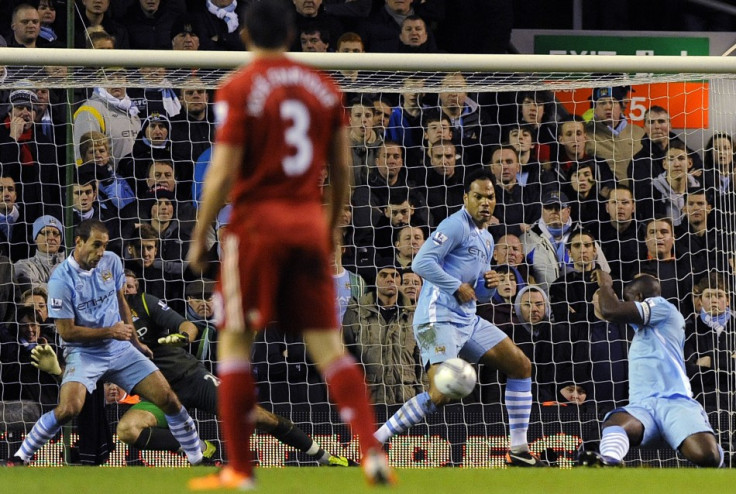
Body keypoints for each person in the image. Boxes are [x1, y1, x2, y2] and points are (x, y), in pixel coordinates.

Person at [186, 1, 393, 488]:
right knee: (330, 347)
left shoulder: (238, 87)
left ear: (244, 36)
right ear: (294, 33)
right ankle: (371, 451)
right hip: (306, 225)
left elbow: (224, 168)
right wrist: (332, 226)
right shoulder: (323, 88)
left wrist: (200, 232)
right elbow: (342, 168)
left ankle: (239, 469)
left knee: (234, 344)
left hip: (255, 227)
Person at [373, 169, 545, 467]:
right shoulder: (455, 225)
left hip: (466, 320)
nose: (485, 203)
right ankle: (373, 441)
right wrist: (457, 286)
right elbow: (421, 262)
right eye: (478, 196)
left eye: (489, 197)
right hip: (434, 319)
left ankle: (518, 450)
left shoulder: (488, 239)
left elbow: (476, 293)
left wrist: (486, 286)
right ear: (466, 198)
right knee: (439, 394)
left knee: (520, 366)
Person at [2, 219, 205, 467]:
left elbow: (120, 300)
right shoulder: (60, 281)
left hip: (121, 349)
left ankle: (198, 458)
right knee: (69, 408)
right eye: (96, 245)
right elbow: (66, 332)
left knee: (169, 399)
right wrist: (111, 331)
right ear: (79, 242)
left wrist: (134, 340)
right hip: (84, 354)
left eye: (104, 245)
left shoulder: (112, 261)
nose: (100, 252)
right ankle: (19, 457)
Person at [579, 270, 722, 468]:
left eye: (629, 300)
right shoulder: (644, 332)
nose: (628, 306)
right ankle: (610, 462)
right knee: (616, 423)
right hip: (642, 407)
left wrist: (605, 285)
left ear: (639, 298)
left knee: (708, 457)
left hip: (674, 402)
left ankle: (724, 458)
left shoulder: (661, 306)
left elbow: (610, 310)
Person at [342, 262, 423, 405]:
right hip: (369, 400)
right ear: (375, 280)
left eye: (395, 275)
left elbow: (422, 362)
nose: (390, 279)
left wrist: (423, 399)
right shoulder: (357, 312)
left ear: (400, 281)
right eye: (384, 275)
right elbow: (346, 355)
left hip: (407, 400)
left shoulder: (415, 315)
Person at [585, 86, 646, 184]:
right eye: (602, 103)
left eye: (613, 102)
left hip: (643, 196)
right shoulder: (586, 136)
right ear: (594, 108)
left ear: (621, 106)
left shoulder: (639, 132)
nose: (608, 107)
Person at [13, 215, 65, 295]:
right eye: (46, 233)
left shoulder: (69, 259)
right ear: (35, 238)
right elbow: (34, 291)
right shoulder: (24, 265)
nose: (51, 238)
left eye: (56, 233)